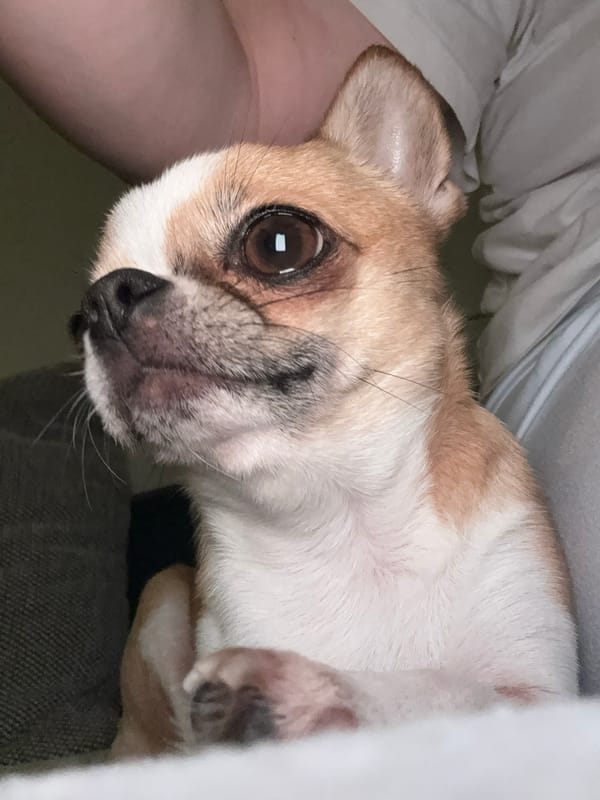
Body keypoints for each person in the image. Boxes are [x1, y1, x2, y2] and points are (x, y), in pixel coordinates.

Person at [2, 0, 599, 693]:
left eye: (274, 248)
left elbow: (534, 739)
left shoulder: (504, 532)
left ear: (412, 195)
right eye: (95, 317)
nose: (122, 315)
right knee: (167, 607)